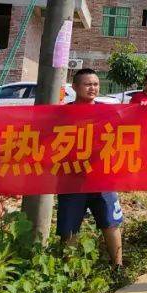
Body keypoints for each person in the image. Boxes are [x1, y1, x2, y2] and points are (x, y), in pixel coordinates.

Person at [56, 68, 124, 267]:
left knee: (110, 224)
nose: (92, 88)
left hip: (102, 179)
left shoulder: (107, 112)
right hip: (72, 180)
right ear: (75, 87)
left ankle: (118, 267)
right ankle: (67, 272)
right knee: (69, 229)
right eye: (87, 84)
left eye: (95, 84)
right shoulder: (63, 113)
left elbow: (129, 131)